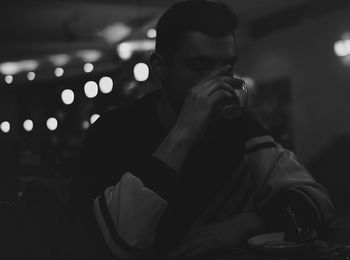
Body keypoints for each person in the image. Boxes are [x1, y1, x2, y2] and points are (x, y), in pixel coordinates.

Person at [69, 1, 334, 259]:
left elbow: (316, 200)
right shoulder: (114, 131)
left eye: (227, 66)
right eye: (200, 67)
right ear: (161, 67)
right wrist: (183, 133)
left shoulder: (240, 127)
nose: (219, 82)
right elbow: (116, 242)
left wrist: (245, 223)